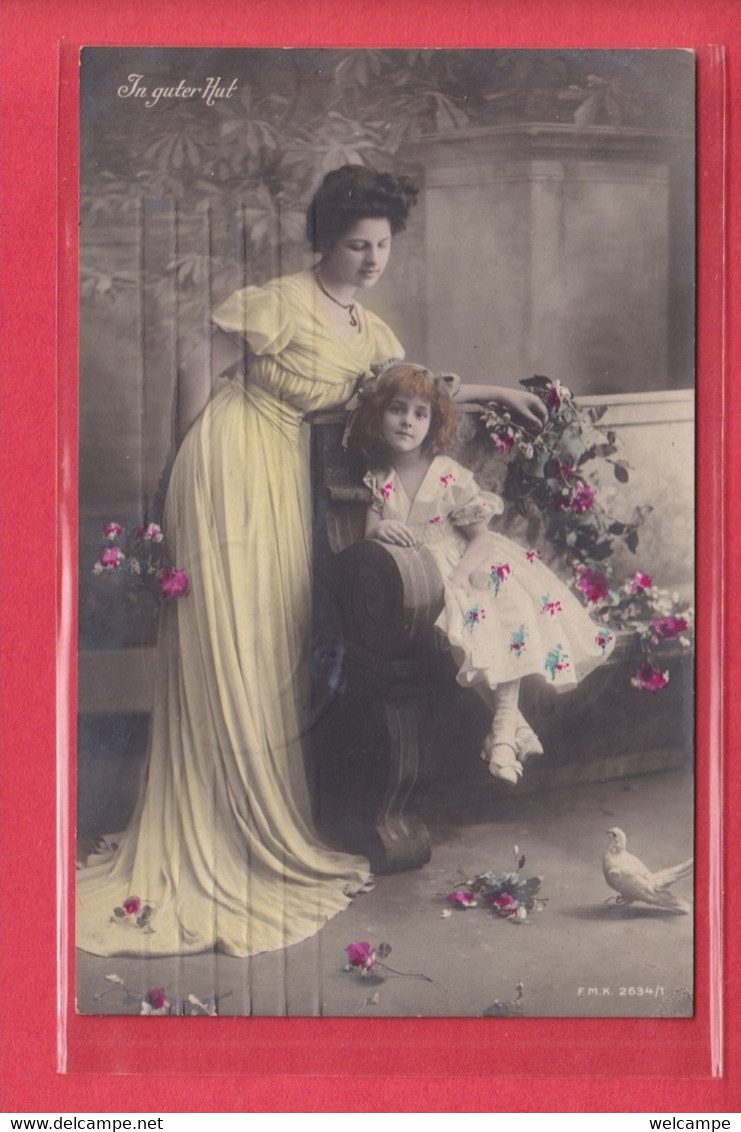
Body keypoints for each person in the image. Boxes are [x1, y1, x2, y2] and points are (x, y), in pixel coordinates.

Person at [76, 166, 549, 959]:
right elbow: (197, 366)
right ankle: (216, 828)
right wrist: (175, 464)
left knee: (269, 642)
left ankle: (253, 820)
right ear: (324, 241)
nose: (370, 260)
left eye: (382, 246)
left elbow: (412, 393)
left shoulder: (373, 329)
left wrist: (499, 392)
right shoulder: (278, 300)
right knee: (229, 637)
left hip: (285, 477)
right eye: (355, 244)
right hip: (228, 461)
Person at [352, 363, 615, 785]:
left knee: (502, 612)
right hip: (416, 575)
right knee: (468, 630)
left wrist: (458, 577)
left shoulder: (448, 475)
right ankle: (510, 731)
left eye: (420, 414)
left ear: (434, 423)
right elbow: (369, 532)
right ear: (378, 415)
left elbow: (483, 540)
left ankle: (504, 732)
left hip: (466, 564)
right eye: (397, 410)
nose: (407, 421)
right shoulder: (380, 479)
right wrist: (381, 527)